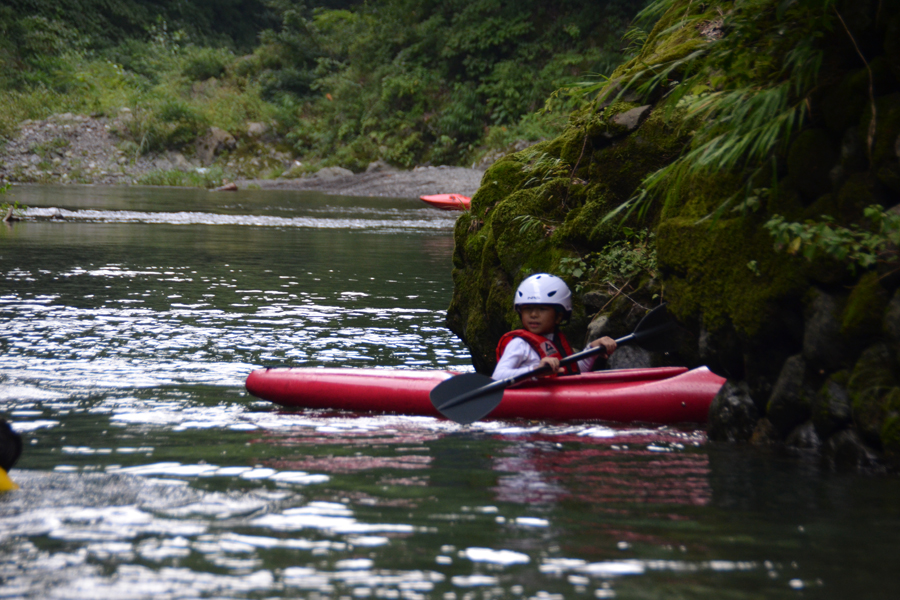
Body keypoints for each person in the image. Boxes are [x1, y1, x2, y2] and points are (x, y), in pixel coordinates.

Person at [492, 273, 617, 380]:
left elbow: (574, 371)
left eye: (542, 309)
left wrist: (592, 350)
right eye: (527, 309)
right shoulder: (519, 344)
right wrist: (535, 371)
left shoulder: (555, 340)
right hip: (532, 402)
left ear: (558, 316)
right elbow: (498, 376)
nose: (533, 314)